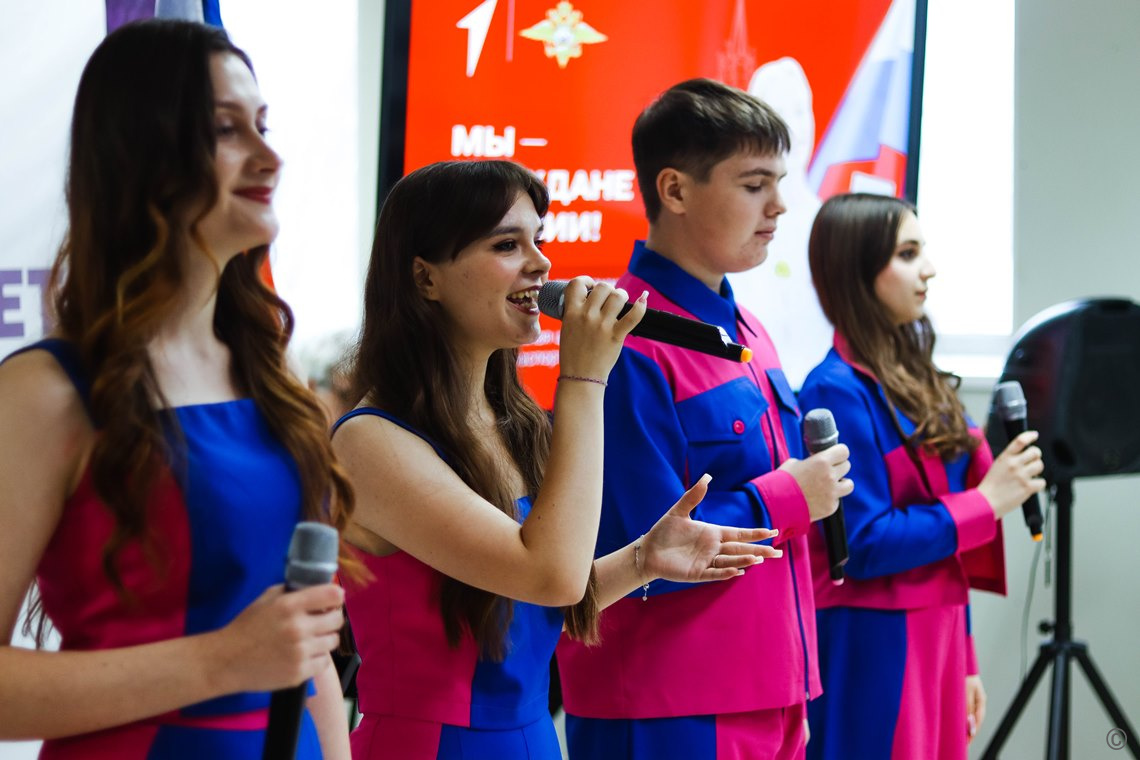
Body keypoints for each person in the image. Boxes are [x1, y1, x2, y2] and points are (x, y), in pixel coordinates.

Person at [330, 159, 783, 760]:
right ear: (425, 277)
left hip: (533, 739)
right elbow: (549, 574)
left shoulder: (510, 420)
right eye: (507, 245)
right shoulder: (369, 441)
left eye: (538, 240)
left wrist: (643, 559)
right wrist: (584, 380)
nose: (541, 264)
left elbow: (532, 599)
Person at [0, 20, 353, 759]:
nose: (270, 157)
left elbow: (304, 646)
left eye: (263, 126)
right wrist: (222, 661)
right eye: (226, 130)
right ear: (143, 155)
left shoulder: (271, 375)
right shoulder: (45, 391)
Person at [557, 78, 854, 760]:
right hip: (667, 704)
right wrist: (790, 497)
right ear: (675, 190)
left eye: (780, 183)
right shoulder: (622, 339)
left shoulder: (747, 329)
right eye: (754, 184)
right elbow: (637, 547)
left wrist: (793, 689)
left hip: (767, 693)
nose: (779, 205)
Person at [796, 193, 1046, 760]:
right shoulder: (835, 389)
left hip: (939, 629)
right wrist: (987, 502)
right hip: (874, 637)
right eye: (907, 254)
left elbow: (945, 549)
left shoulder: (917, 377)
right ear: (857, 271)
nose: (928, 269)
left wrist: (967, 656)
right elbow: (863, 543)